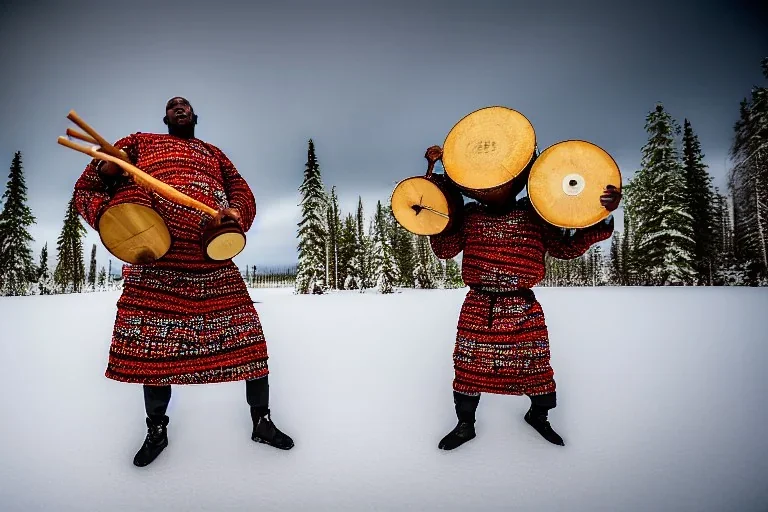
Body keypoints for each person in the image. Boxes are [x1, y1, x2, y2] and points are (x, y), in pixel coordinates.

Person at [73, 97, 294, 467]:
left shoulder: (213, 153)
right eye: (173, 105)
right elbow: (90, 185)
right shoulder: (139, 142)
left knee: (250, 348)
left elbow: (241, 190)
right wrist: (110, 170)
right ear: (165, 117)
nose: (179, 107)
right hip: (155, 264)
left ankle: (262, 421)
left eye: (185, 104)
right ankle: (156, 430)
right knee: (153, 355)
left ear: (194, 116)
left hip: (212, 264)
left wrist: (237, 212)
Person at [424, 145, 621, 450]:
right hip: (479, 308)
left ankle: (538, 417)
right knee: (469, 370)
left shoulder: (535, 213)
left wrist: (599, 215)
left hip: (523, 311)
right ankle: (465, 425)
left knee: (535, 369)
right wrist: (432, 213)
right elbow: (445, 249)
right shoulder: (471, 216)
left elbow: (564, 248)